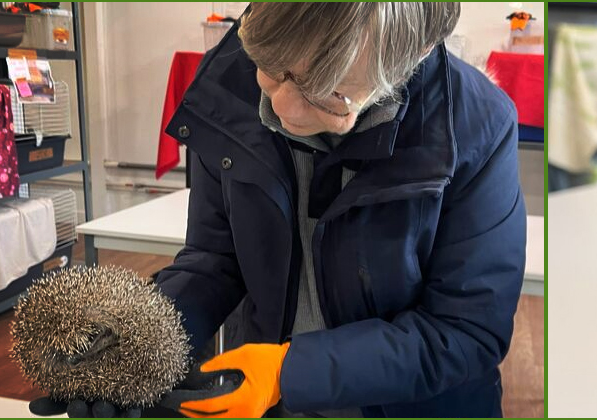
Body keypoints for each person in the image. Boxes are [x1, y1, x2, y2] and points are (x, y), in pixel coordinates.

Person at [32, 2, 526, 418]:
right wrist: (144, 340)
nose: (284, 111)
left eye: (329, 96)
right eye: (271, 71)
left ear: (411, 55)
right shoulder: (226, 87)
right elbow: (215, 259)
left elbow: (465, 330)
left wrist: (293, 372)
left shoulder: (478, 127)